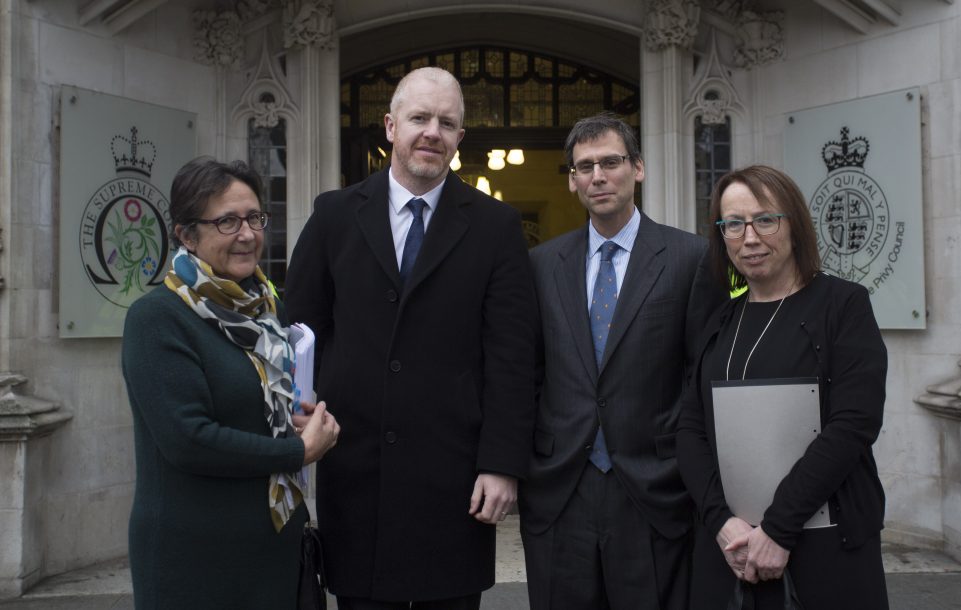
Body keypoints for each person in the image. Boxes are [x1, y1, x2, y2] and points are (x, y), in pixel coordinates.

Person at [285, 66, 536, 609]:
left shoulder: (496, 226)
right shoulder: (334, 215)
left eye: (447, 123)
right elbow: (301, 331)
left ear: (460, 140)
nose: (432, 132)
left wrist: (502, 463)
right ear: (390, 126)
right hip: (355, 469)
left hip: (454, 477)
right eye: (420, 118)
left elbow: (513, 356)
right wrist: (305, 411)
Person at [518, 112, 724, 609]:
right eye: (584, 166)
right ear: (572, 181)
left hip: (655, 489)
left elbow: (702, 375)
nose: (598, 176)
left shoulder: (691, 258)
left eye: (610, 162)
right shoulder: (542, 265)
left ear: (638, 168)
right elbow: (527, 373)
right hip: (561, 490)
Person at [121, 157, 340, 610]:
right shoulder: (157, 318)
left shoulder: (266, 309)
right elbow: (188, 440)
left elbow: (254, 411)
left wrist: (295, 420)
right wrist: (298, 451)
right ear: (185, 234)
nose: (248, 234)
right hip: (197, 560)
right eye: (226, 221)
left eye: (254, 218)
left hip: (273, 550)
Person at [675, 165, 889, 609]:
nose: (749, 238)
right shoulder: (719, 321)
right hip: (729, 549)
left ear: (794, 225)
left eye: (765, 219)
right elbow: (691, 429)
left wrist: (777, 529)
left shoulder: (843, 305)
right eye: (733, 224)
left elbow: (852, 425)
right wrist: (721, 522)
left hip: (825, 548)